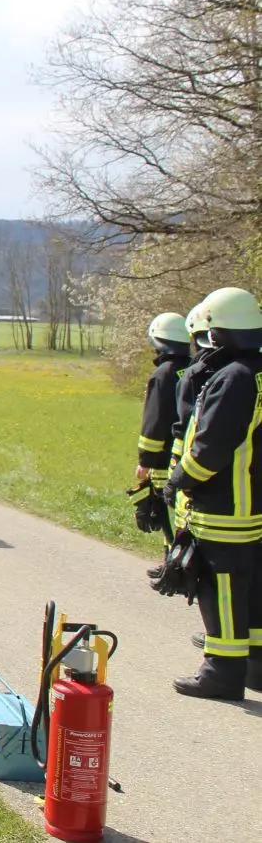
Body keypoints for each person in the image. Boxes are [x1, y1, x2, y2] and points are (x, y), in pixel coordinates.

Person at [162, 286, 262, 699]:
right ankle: (254, 667)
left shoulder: (234, 378)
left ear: (217, 333)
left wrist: (177, 481)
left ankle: (221, 671)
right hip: (252, 503)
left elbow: (211, 448)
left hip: (224, 506)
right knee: (250, 588)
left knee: (218, 587)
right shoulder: (255, 371)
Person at [133, 312, 191, 526]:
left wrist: (145, 461)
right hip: (190, 457)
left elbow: (154, 422)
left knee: (165, 516)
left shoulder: (162, 374)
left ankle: (169, 556)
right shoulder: (194, 368)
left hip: (164, 460)